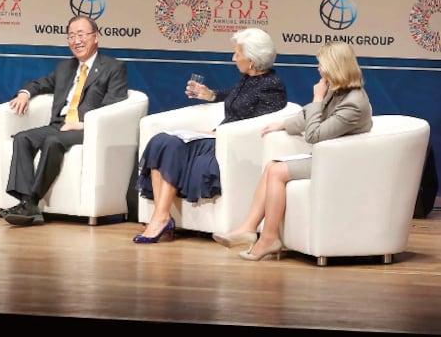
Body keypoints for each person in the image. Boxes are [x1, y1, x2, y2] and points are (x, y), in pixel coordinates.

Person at [213, 41, 373, 260]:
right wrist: (283, 124)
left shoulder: (353, 103)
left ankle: (269, 238)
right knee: (272, 166)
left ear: (335, 67)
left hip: (341, 163)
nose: (319, 69)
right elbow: (309, 116)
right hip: (327, 157)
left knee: (277, 172)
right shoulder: (337, 91)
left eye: (322, 64)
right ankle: (249, 228)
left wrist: (317, 99)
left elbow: (314, 134)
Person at [135, 27, 288, 244]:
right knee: (162, 140)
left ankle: (160, 220)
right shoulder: (248, 78)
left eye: (237, 54)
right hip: (218, 136)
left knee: (171, 146)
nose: (233, 58)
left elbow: (257, 126)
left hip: (231, 145)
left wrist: (216, 134)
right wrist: (211, 94)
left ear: (252, 61)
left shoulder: (272, 86)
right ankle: (162, 217)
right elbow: (236, 96)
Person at [0, 15, 128, 226]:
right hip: (60, 125)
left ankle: (31, 202)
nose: (76, 41)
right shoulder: (65, 68)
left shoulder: (113, 67)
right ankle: (25, 202)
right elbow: (39, 84)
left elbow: (113, 106)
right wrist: (24, 93)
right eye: (71, 36)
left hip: (88, 128)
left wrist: (82, 124)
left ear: (95, 37)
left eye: (81, 35)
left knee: (53, 141)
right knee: (23, 138)